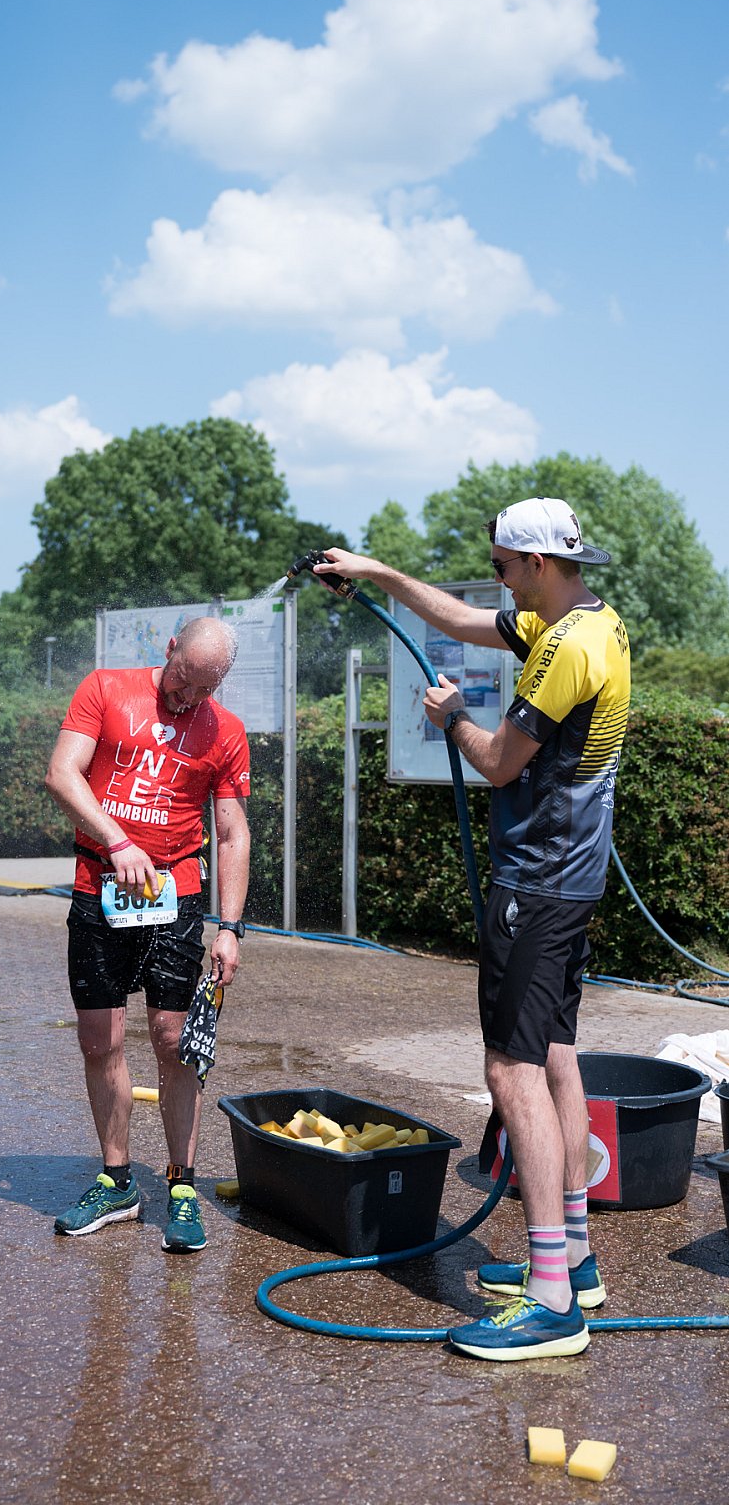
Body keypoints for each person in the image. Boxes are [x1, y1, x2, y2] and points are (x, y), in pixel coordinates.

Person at [316, 497, 630, 1362]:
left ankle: (552, 1302)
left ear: (536, 564)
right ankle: (572, 1258)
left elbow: (496, 762)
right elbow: (456, 619)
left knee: (510, 1069)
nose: (496, 582)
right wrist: (373, 572)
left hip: (538, 880)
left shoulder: (563, 650)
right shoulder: (590, 622)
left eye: (501, 567)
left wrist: (450, 715)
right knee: (555, 1054)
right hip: (573, 879)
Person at [45, 617, 251, 1254]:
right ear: (170, 650)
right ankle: (117, 1181)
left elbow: (232, 834)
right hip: (98, 885)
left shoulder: (226, 730)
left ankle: (182, 1185)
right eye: (185, 678)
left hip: (176, 896)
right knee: (100, 1038)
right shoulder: (105, 688)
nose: (190, 696)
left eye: (207, 687)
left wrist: (230, 928)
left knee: (173, 1040)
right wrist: (117, 841)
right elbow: (62, 774)